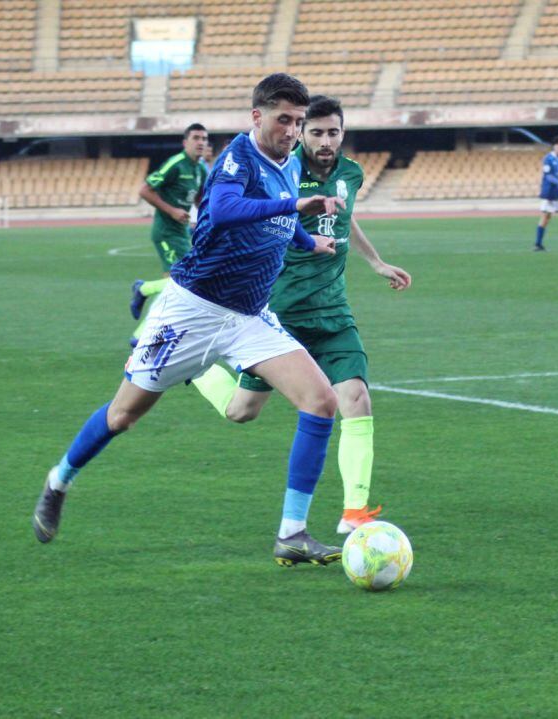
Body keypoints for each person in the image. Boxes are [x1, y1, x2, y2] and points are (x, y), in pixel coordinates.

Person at [32, 73, 347, 567]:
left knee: (321, 401)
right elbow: (224, 209)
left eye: (298, 121)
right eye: (283, 119)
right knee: (123, 416)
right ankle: (59, 480)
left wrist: (310, 241)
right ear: (257, 116)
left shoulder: (289, 163)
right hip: (192, 310)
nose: (292, 131)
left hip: (250, 316)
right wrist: (294, 204)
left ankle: (292, 534)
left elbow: (281, 223)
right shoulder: (238, 158)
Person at [190, 95, 412, 534]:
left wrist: (375, 261)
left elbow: (346, 218)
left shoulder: (351, 173)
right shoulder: (281, 171)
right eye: (316, 132)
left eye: (333, 132)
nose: (325, 141)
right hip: (280, 314)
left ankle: (353, 514)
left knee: (356, 398)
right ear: (301, 133)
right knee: (242, 411)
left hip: (332, 312)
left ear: (343, 133)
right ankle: (194, 366)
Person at [128, 123, 210, 346]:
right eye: (196, 138)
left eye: (204, 138)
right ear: (185, 142)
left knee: (178, 286)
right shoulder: (176, 164)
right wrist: (172, 210)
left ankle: (141, 333)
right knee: (182, 284)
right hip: (166, 232)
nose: (201, 142)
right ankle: (143, 292)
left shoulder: (200, 169)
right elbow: (145, 190)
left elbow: (199, 199)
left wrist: (205, 221)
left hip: (181, 232)